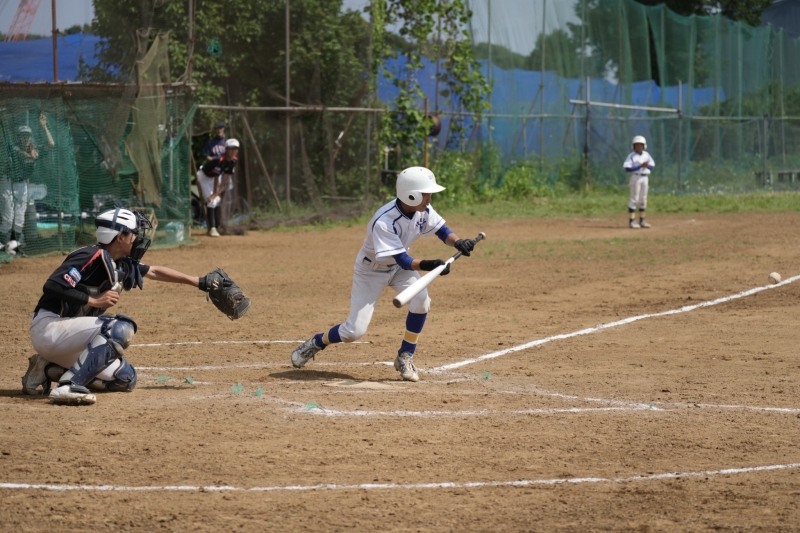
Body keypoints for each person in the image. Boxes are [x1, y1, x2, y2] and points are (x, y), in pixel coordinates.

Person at [290, 166, 477, 382]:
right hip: (371, 271)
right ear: (411, 195)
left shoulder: (422, 209)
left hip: (398, 269)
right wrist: (430, 265)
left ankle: (405, 355)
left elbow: (442, 230)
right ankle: (316, 342)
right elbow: (403, 260)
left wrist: (459, 242)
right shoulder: (385, 221)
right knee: (354, 332)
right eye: (426, 193)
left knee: (421, 301)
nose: (430, 198)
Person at [21, 208, 219, 405]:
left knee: (125, 378)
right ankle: (68, 386)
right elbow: (53, 285)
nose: (137, 238)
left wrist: (199, 282)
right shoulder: (90, 255)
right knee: (119, 328)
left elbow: (155, 272)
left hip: (69, 340)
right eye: (133, 233)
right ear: (120, 237)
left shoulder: (120, 263)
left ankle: (46, 368)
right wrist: (93, 300)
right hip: (49, 328)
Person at [1, 114, 54, 255]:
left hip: (22, 183)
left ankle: (15, 246)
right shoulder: (14, 147)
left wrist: (44, 126)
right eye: (22, 136)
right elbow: (22, 155)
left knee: (19, 217)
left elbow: (51, 144)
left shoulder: (33, 148)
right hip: (8, 182)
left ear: (30, 137)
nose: (25, 138)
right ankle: (2, 245)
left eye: (27, 136)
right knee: (8, 218)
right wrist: (32, 155)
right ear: (18, 138)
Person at [197, 138, 239, 237]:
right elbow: (216, 177)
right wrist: (215, 193)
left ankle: (218, 226)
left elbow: (226, 174)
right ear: (226, 149)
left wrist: (219, 191)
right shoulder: (219, 160)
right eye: (231, 148)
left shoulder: (234, 160)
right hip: (204, 177)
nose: (233, 151)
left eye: (235, 148)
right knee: (211, 200)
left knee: (217, 200)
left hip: (213, 178)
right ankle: (212, 229)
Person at [624, 135, 654, 229]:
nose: (639, 147)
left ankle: (642, 220)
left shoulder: (646, 155)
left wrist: (646, 165)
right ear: (633, 146)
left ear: (644, 146)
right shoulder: (631, 156)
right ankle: (632, 221)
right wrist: (639, 166)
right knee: (634, 199)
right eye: (637, 145)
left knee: (643, 199)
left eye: (641, 145)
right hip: (635, 177)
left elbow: (652, 166)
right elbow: (627, 168)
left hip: (645, 177)